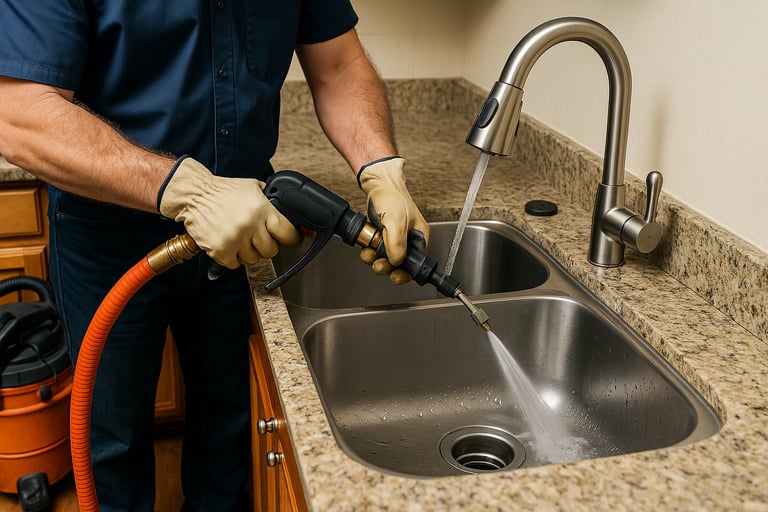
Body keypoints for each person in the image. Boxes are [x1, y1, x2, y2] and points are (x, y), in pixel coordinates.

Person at [0, 2, 429, 510]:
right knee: (113, 433)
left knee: (228, 419)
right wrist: (190, 191)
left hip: (243, 226)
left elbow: (338, 64)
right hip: (105, 235)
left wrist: (380, 167)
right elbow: (20, 114)